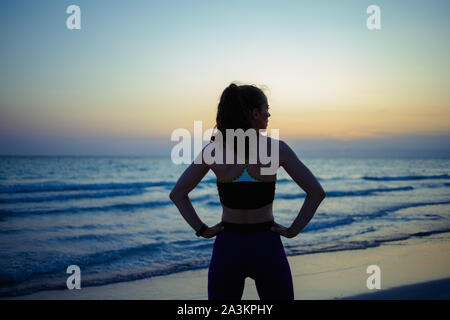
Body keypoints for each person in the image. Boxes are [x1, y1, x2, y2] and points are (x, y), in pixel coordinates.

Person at [169, 83, 326, 300]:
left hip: (228, 247)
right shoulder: (276, 149)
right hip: (266, 245)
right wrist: (292, 230)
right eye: (266, 108)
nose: (269, 114)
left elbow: (177, 194)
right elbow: (316, 193)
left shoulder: (214, 151)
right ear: (254, 113)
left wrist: (202, 229)